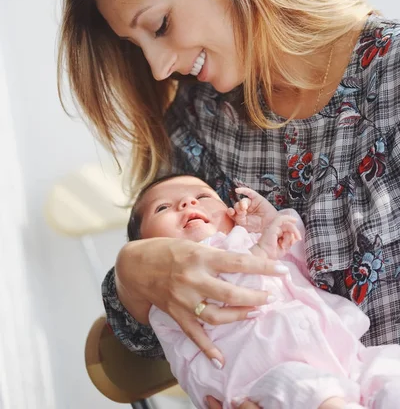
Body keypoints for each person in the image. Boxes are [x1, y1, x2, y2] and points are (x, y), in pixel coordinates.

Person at [57, 0, 400, 408]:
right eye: (137, 46)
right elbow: (146, 340)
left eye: (160, 26)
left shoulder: (391, 80)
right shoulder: (202, 121)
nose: (159, 69)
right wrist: (132, 274)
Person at [126, 173, 400, 409]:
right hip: (261, 384)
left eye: (203, 195)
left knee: (390, 372)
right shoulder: (169, 287)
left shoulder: (248, 241)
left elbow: (305, 270)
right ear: (145, 246)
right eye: (162, 208)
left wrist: (273, 226)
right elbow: (227, 296)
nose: (188, 203)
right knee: (306, 389)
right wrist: (260, 252)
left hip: (343, 356)